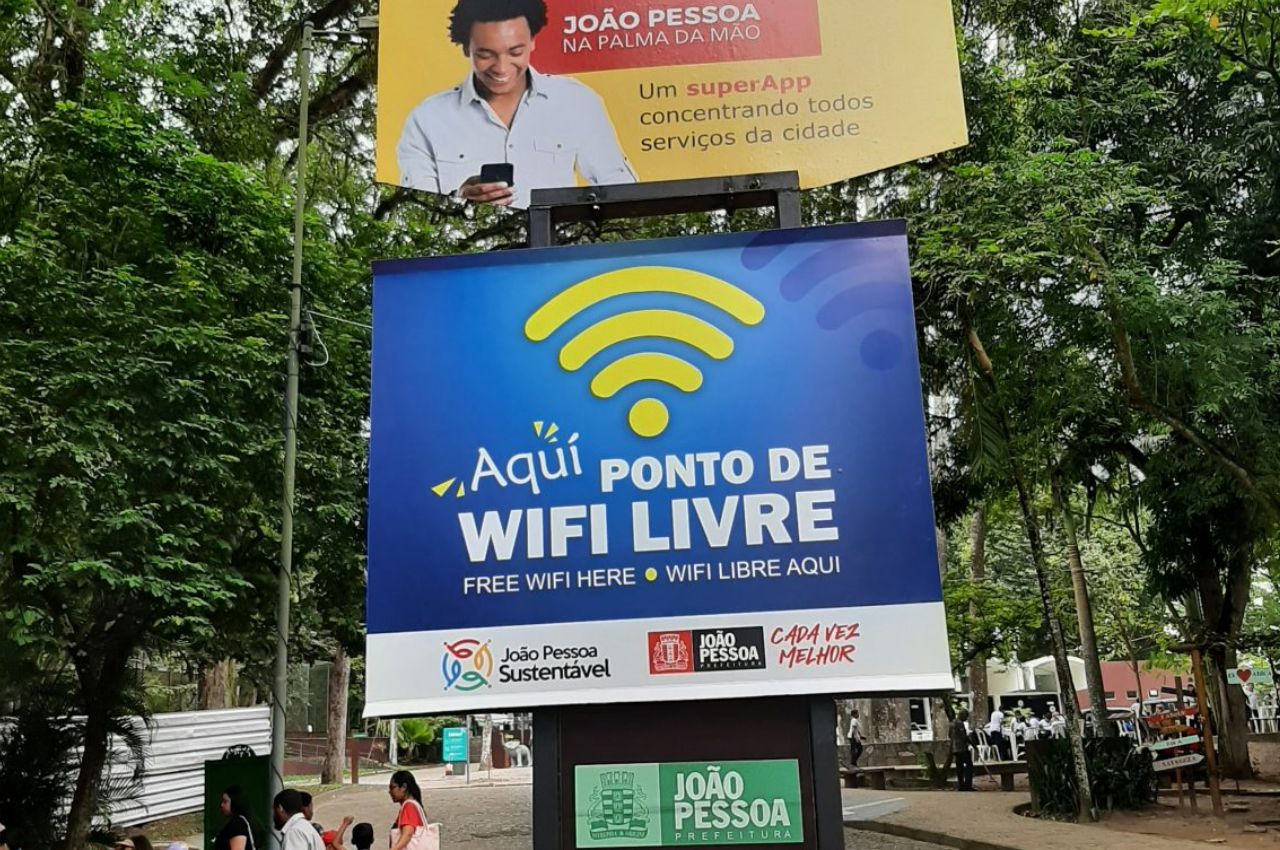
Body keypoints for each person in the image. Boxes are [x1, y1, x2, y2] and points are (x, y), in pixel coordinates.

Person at [397, 0, 637, 209]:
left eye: (515, 52)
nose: (501, 68)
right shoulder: (427, 120)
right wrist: (459, 202)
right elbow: (416, 214)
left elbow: (622, 191)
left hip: (557, 254)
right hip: (471, 257)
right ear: (465, 48)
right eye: (485, 54)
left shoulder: (577, 102)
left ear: (533, 41)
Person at [388, 770, 430, 850]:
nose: (389, 792)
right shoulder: (413, 805)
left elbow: (407, 834)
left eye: (392, 787)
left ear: (403, 787)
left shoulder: (409, 806)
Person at [215, 786, 259, 850]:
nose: (222, 805)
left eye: (225, 801)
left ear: (235, 802)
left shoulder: (237, 823)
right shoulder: (243, 822)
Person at [951, 710, 974, 792]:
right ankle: (967, 785)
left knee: (959, 767)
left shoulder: (952, 722)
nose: (966, 718)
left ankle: (961, 785)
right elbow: (964, 736)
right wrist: (972, 744)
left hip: (955, 748)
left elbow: (949, 734)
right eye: (966, 716)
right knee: (969, 765)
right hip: (962, 748)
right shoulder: (959, 723)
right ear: (962, 715)